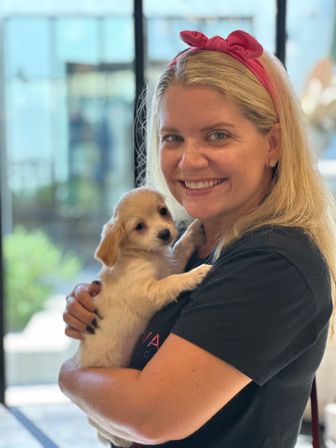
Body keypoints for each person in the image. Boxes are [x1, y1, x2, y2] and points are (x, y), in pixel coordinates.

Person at [59, 29, 336, 448]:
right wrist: (104, 307)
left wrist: (71, 376)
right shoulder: (194, 242)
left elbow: (149, 418)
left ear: (273, 145)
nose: (189, 160)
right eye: (173, 138)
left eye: (217, 135)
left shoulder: (273, 263)